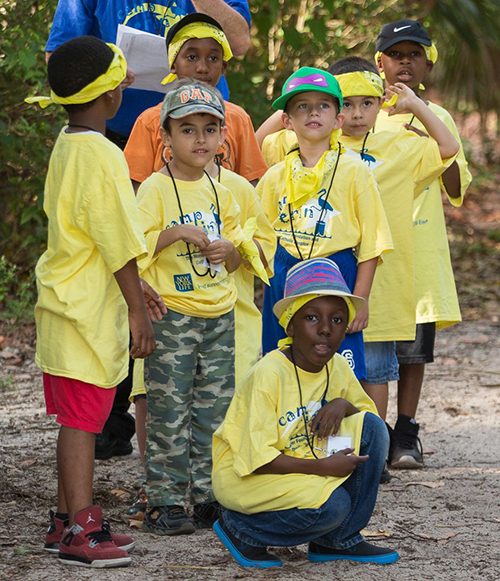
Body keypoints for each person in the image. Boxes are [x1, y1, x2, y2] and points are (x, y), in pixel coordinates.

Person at [27, 36, 156, 567]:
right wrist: (137, 307)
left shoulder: (67, 142)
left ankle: (64, 523)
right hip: (85, 312)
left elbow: (87, 230)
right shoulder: (103, 153)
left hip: (62, 305)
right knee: (83, 424)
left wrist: (136, 288)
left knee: (74, 420)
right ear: (110, 98)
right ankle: (82, 527)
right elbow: (116, 241)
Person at [126, 80, 276, 520]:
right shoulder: (153, 189)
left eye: (210, 129)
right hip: (172, 315)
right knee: (169, 411)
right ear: (166, 137)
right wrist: (176, 233)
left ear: (223, 136)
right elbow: (133, 249)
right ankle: (166, 500)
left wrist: (230, 252)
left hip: (220, 316)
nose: (200, 139)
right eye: (187, 130)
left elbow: (235, 257)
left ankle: (211, 495)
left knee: (214, 413)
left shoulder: (224, 191)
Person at [212, 258, 399, 568]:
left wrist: (343, 405)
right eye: (312, 318)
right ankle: (241, 530)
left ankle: (338, 540)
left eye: (337, 320)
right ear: (290, 325)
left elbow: (368, 422)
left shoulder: (337, 366)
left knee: (373, 428)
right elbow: (258, 459)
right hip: (249, 475)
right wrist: (324, 468)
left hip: (302, 467)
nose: (325, 329)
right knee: (334, 506)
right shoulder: (269, 374)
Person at [326, 56, 459, 480]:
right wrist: (298, 98)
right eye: (346, 103)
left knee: (377, 370)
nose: (357, 113)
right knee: (326, 370)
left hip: (381, 285)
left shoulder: (398, 146)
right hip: (329, 279)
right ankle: (331, 452)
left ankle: (373, 453)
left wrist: (416, 106)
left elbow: (448, 149)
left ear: (380, 103)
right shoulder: (317, 147)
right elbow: (261, 145)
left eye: (368, 103)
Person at [373, 19, 472, 469]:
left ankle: (406, 431)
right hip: (375, 244)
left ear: (427, 62)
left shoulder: (440, 117)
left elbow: (455, 182)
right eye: (396, 54)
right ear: (380, 63)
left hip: (421, 248)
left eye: (414, 54)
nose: (405, 62)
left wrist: (427, 137)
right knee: (371, 343)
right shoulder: (362, 111)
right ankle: (371, 433)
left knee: (413, 348)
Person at [257, 67, 394, 382]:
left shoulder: (354, 170)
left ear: (338, 120)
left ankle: (341, 432)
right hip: (284, 276)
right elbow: (259, 239)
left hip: (338, 274)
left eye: (323, 105)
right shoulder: (275, 175)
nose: (312, 112)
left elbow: (373, 242)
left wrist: (360, 301)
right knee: (280, 370)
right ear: (287, 121)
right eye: (302, 106)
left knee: (341, 374)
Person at [45, 0, 251, 145]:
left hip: (205, 134)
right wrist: (103, 74)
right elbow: (59, 59)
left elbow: (240, 43)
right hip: (119, 137)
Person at [124, 13, 268, 187]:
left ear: (223, 67)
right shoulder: (150, 120)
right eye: (192, 57)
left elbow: (251, 182)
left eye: (213, 58)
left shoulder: (238, 118)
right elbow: (135, 187)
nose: (202, 68)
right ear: (172, 64)